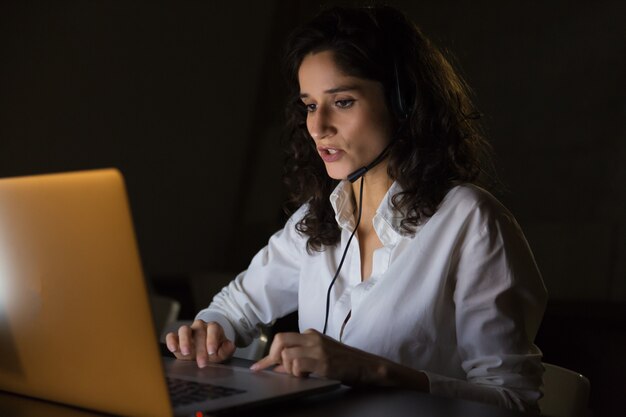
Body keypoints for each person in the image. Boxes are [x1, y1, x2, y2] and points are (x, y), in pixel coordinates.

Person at [165, 5, 547, 413]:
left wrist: (375, 371)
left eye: (342, 102)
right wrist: (209, 330)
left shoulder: (470, 221)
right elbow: (232, 307)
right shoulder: (316, 219)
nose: (317, 127)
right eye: (310, 105)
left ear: (404, 103)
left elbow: (513, 402)